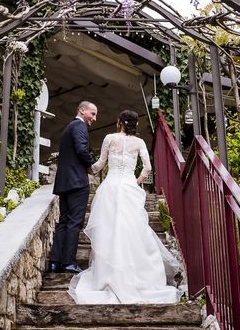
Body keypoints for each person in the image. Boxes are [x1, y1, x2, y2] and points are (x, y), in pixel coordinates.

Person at [68, 110, 182, 304]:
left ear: (119, 122)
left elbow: (100, 165)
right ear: (134, 124)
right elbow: (147, 168)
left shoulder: (109, 138)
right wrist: (135, 182)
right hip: (129, 187)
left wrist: (85, 168)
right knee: (133, 230)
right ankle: (139, 275)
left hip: (110, 187)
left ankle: (108, 273)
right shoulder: (139, 143)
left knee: (109, 231)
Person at [48, 101, 97, 274]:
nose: (94, 118)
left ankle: (54, 262)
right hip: (77, 182)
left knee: (64, 222)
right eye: (92, 113)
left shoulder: (69, 127)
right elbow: (82, 150)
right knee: (75, 223)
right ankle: (68, 262)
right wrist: (91, 166)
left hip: (64, 182)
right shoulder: (79, 126)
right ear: (82, 111)